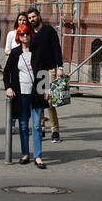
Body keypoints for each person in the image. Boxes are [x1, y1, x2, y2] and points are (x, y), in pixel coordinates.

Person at [4, 26, 49, 169]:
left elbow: (43, 71)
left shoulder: (38, 52)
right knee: (23, 126)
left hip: (36, 94)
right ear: (18, 36)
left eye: (27, 34)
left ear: (31, 36)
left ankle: (38, 156)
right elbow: (6, 72)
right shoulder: (15, 53)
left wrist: (46, 88)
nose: (25, 37)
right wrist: (8, 87)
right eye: (22, 34)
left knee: (36, 126)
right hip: (20, 93)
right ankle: (25, 153)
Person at [28, 7, 64, 142]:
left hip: (50, 69)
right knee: (39, 100)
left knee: (50, 101)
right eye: (30, 18)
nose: (32, 19)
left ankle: (55, 131)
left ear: (38, 16)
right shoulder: (29, 33)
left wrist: (60, 67)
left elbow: (56, 48)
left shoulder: (49, 30)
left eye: (33, 17)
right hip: (37, 71)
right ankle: (41, 129)